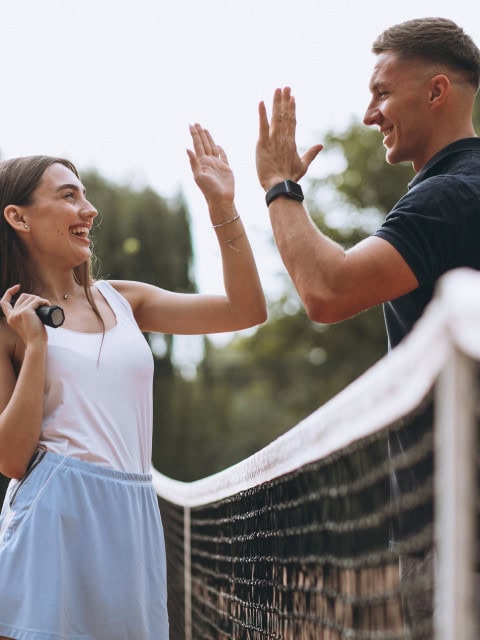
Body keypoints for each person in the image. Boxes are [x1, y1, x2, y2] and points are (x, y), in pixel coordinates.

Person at [255, 16, 480, 636]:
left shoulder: (452, 195)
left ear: (436, 91)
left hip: (456, 534)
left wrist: (279, 187)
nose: (369, 114)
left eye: (382, 92)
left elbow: (327, 291)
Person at [0, 123, 266, 640]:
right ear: (18, 217)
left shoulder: (125, 300)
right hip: (54, 517)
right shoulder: (6, 324)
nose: (90, 210)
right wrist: (35, 347)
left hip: (133, 512)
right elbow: (11, 458)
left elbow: (246, 309)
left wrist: (221, 208)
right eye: (69, 195)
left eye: (86, 196)